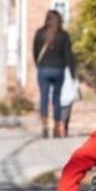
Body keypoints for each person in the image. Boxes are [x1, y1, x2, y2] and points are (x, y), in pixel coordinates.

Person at [32, 10, 76, 138]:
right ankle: (57, 127)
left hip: (43, 69)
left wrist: (39, 65)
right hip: (58, 70)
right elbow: (68, 55)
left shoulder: (40, 33)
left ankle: (45, 125)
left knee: (44, 97)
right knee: (57, 98)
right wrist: (72, 74)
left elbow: (35, 52)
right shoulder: (63, 35)